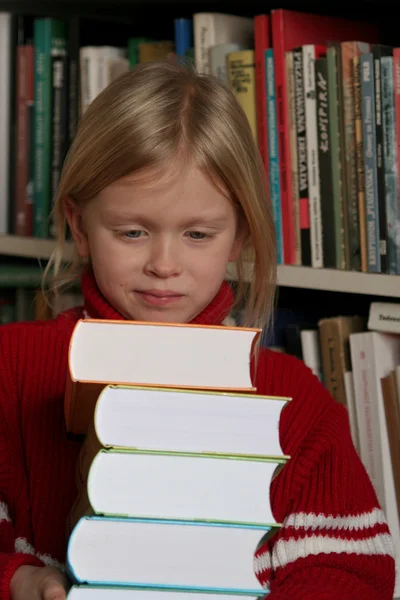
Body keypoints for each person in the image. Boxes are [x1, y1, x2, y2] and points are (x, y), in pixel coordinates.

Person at [0, 60, 395, 600]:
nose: (165, 264)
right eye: (133, 231)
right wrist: (17, 579)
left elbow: (351, 569)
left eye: (198, 234)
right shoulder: (11, 367)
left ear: (237, 240)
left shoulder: (292, 398)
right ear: (80, 226)